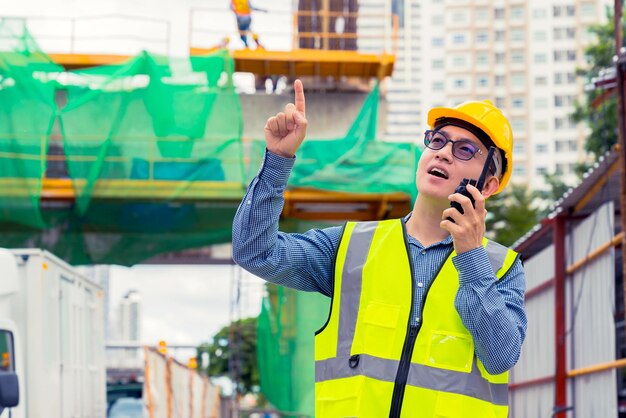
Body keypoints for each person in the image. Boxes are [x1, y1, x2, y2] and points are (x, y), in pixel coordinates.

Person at [232, 80, 527, 418]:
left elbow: (500, 356)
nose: (443, 152)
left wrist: (472, 258)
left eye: (464, 150)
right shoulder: (352, 246)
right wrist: (277, 161)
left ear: (488, 185)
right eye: (438, 140)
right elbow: (255, 251)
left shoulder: (501, 267)